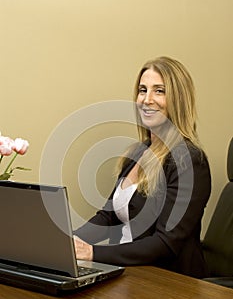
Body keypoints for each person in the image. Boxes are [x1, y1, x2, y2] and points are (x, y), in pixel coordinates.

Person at [73, 56, 211, 278]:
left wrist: (92, 252)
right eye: (142, 90)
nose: (147, 99)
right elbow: (108, 216)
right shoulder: (138, 152)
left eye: (159, 91)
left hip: (167, 281)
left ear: (178, 100)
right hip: (125, 272)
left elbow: (165, 243)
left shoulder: (190, 162)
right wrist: (70, 241)